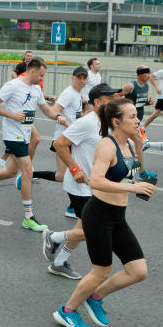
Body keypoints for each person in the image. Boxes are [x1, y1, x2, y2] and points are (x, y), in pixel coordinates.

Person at [53, 98, 154, 327]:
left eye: (136, 115)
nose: (137, 119)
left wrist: (139, 146)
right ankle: (66, 312)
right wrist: (133, 189)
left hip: (119, 216)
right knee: (101, 270)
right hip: (99, 214)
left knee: (138, 271)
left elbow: (136, 170)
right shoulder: (107, 145)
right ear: (116, 122)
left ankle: (95, 297)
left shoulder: (128, 142)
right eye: (131, 116)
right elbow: (96, 181)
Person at [0, 59, 69, 231]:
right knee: (27, 171)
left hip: (24, 134)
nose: (41, 78)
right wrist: (12, 115)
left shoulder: (36, 89)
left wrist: (58, 117)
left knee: (10, 172)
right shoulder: (13, 86)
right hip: (12, 135)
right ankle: (28, 217)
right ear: (32, 71)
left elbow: (47, 111)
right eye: (41, 75)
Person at [44, 84, 121, 280]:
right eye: (109, 97)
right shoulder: (87, 122)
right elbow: (59, 144)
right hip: (80, 186)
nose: (114, 100)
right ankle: (53, 237)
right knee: (93, 230)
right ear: (97, 102)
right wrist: (74, 168)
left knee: (83, 229)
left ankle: (59, 262)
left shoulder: (107, 122)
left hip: (95, 184)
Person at [52, 67, 91, 217]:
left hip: (73, 139)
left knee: (70, 173)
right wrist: (65, 122)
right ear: (72, 78)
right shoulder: (68, 93)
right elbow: (55, 110)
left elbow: (72, 114)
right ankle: (28, 175)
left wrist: (82, 115)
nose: (82, 80)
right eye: (79, 77)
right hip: (63, 139)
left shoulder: (77, 94)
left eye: (84, 78)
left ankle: (72, 207)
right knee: (64, 175)